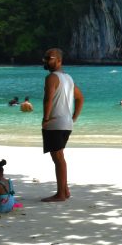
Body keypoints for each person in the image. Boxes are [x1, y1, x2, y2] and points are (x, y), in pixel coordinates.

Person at [41, 48, 84, 202]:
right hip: (66, 124)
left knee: (58, 158)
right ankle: (64, 190)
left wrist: (45, 119)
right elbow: (80, 98)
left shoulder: (52, 77)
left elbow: (48, 99)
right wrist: (73, 118)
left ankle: (61, 194)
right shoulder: (68, 78)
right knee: (59, 156)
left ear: (59, 60)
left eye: (49, 58)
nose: (46, 60)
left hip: (55, 123)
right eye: (45, 58)